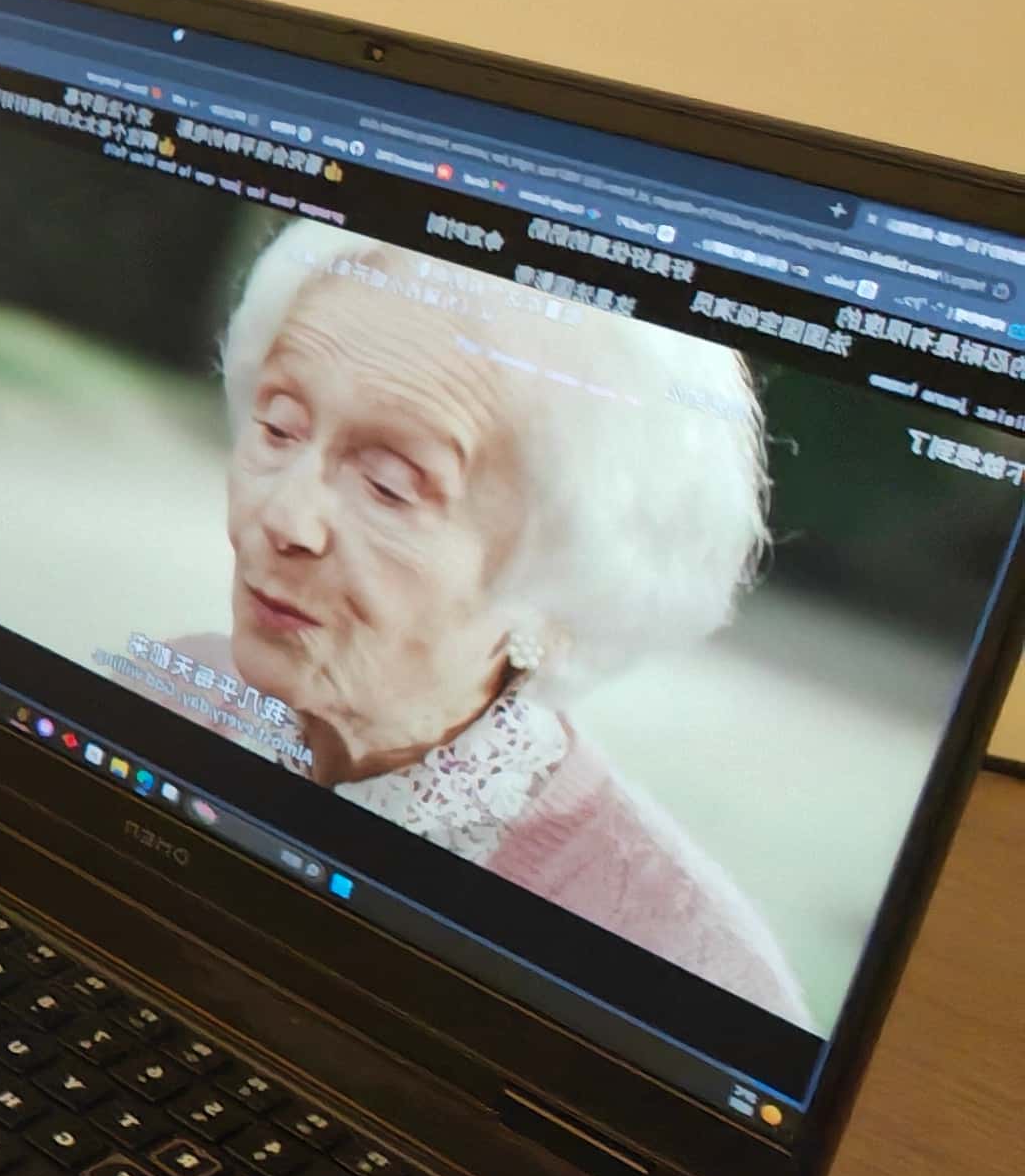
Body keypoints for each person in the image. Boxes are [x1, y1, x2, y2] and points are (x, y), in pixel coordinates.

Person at [120, 220, 805, 1021]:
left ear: (562, 589)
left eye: (388, 484)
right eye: (278, 427)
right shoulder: (160, 693)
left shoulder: (689, 966)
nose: (283, 516)